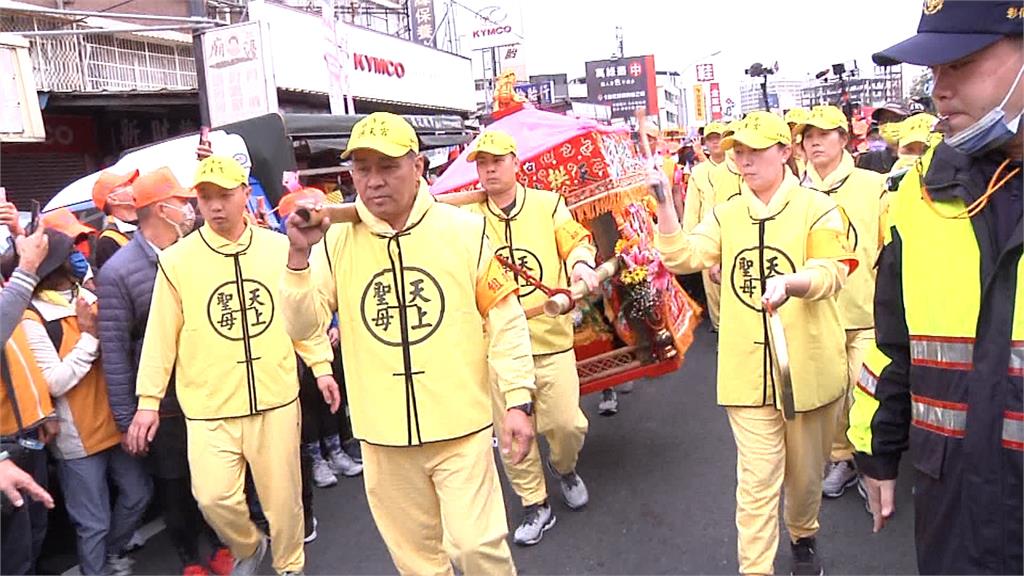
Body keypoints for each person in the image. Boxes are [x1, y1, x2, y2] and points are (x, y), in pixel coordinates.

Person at [280, 112, 536, 576]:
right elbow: (302, 326)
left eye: (388, 166)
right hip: (383, 436)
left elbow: (506, 323)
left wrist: (518, 400)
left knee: (478, 549)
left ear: (417, 166)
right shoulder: (334, 241)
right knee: (418, 563)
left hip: (461, 425)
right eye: (362, 168)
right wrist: (298, 256)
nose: (373, 181)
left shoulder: (464, 231)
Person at [849, 3, 1023, 573]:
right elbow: (894, 340)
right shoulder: (923, 195)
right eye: (934, 72)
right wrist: (877, 450)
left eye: (963, 64)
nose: (939, 91)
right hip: (953, 504)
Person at [653, 111, 856, 575]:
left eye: (755, 151)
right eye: (737, 152)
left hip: (809, 368)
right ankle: (756, 569)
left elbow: (832, 271)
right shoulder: (726, 215)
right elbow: (683, 256)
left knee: (805, 479)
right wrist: (665, 202)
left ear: (786, 151)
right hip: (747, 372)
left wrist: (793, 284)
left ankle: (804, 533)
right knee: (757, 480)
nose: (743, 161)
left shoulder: (816, 207)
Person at [127, 156, 339, 576]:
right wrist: (148, 400)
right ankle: (247, 544)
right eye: (205, 198)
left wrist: (321, 366)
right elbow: (159, 336)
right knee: (213, 497)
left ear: (246, 193)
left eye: (225, 195)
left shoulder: (280, 248)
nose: (216, 206)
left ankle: (290, 564)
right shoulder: (177, 260)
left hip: (275, 397)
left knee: (284, 499)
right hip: (209, 404)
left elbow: (300, 316)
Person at [96, 168, 234, 576]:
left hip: (211, 390)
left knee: (217, 477)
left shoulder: (198, 253)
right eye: (183, 201)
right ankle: (190, 559)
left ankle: (226, 543)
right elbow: (116, 353)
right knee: (175, 484)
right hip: (165, 403)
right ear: (162, 208)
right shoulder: (118, 272)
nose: (190, 209)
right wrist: (127, 418)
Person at [465, 130, 596, 546]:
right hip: (499, 349)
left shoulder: (547, 204)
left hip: (550, 336)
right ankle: (535, 504)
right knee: (511, 435)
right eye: (482, 163)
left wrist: (579, 267)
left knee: (565, 423)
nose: (488, 170)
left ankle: (565, 466)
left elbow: (574, 241)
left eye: (496, 161)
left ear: (514, 163)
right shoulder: (466, 217)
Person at [23, 229, 152, 576]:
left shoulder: (90, 295)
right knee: (92, 522)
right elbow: (55, 381)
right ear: (58, 266)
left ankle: (112, 551)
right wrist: (91, 337)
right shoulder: (32, 319)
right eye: (72, 254)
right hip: (77, 438)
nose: (80, 257)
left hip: (116, 422)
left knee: (139, 494)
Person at [794, 105, 887, 500]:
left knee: (864, 390)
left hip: (865, 311)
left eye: (824, 134)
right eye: (808, 135)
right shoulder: (795, 192)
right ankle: (842, 458)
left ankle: (872, 465)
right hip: (817, 313)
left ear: (844, 139)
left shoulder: (873, 185)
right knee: (831, 394)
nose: (814, 142)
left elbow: (887, 246)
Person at [1, 226, 57, 576]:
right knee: (13, 553)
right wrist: (26, 270)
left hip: (27, 433)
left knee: (33, 533)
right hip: (6, 442)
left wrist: (43, 411)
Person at [682, 121, 729, 332]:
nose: (715, 142)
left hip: (733, 232)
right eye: (711, 138)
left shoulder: (737, 167)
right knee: (712, 287)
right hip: (708, 235)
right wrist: (689, 239)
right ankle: (720, 328)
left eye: (719, 137)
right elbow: (692, 208)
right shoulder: (699, 172)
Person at [92, 170, 140, 269]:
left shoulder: (150, 220)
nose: (133, 187)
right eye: (125, 185)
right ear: (113, 199)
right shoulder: (108, 242)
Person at [856, 103, 909, 174]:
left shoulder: (922, 157)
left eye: (895, 120)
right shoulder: (867, 160)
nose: (889, 125)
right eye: (884, 121)